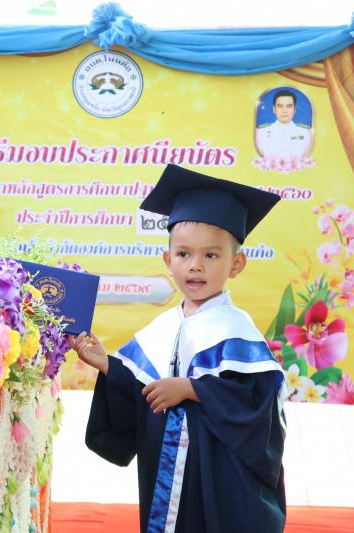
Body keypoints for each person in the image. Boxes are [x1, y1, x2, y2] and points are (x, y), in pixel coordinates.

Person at [71, 164, 286, 533]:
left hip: (219, 480)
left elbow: (256, 404)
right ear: (168, 261)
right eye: (184, 254)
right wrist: (108, 365)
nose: (195, 266)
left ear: (237, 264)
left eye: (211, 256)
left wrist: (192, 389)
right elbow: (141, 387)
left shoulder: (236, 329)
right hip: (166, 477)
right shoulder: (163, 326)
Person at [255, 89, 312, 161]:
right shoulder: (262, 132)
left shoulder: (305, 132)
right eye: (280, 106)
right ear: (274, 109)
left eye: (289, 106)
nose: (284, 110)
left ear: (294, 109)